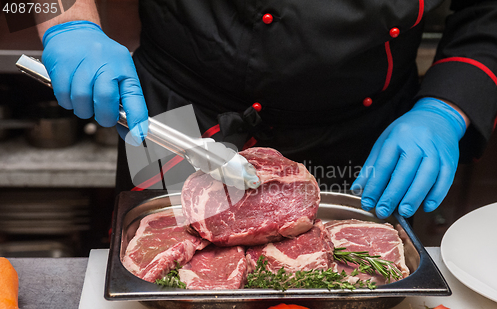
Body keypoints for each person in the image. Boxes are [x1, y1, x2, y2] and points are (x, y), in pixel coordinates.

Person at [37, 0, 497, 220]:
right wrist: (63, 21)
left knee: (356, 303)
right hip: (178, 122)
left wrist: (446, 108)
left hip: (365, 145)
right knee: (163, 296)